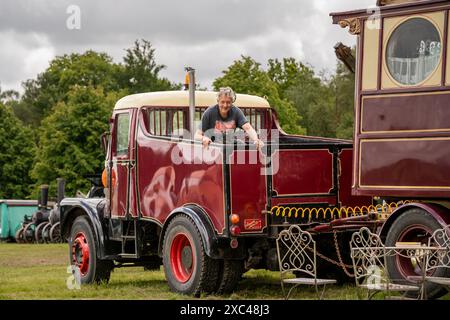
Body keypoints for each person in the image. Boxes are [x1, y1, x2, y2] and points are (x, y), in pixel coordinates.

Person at [194, 87, 264, 149]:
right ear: (218, 101)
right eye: (222, 102)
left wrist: (256, 139)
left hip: (229, 146)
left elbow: (248, 128)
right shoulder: (209, 112)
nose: (225, 105)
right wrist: (204, 138)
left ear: (232, 102)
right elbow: (197, 135)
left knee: (242, 144)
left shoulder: (236, 112)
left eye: (228, 102)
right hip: (213, 147)